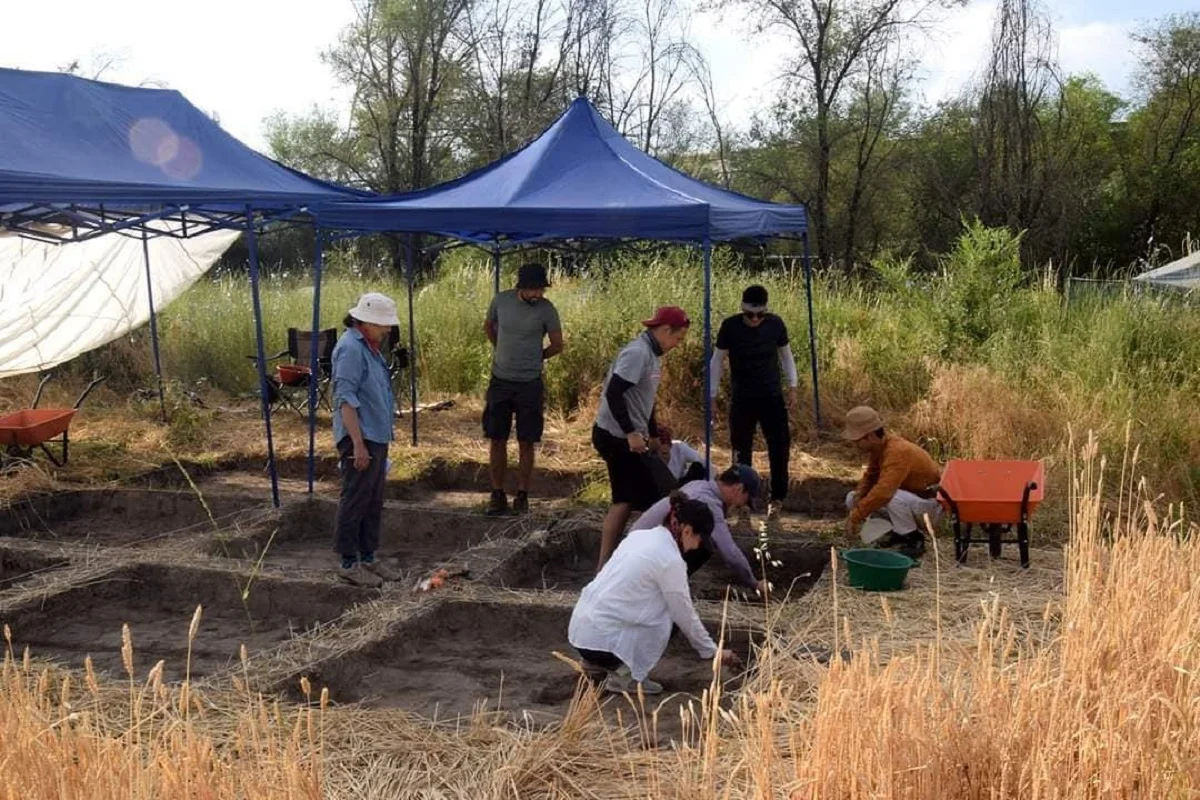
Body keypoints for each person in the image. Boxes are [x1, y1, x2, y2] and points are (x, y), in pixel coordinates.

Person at [568, 493, 742, 695]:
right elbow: (684, 614)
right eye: (698, 539)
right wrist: (714, 651)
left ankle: (594, 663)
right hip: (602, 643)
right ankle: (626, 676)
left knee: (648, 603)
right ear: (686, 531)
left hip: (581, 634)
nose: (696, 547)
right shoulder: (669, 559)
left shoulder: (640, 536)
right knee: (670, 617)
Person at [592, 306, 691, 569]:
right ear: (665, 330)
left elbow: (644, 400)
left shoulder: (652, 354)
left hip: (631, 437)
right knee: (626, 500)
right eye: (678, 338)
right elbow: (614, 393)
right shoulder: (638, 353)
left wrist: (653, 434)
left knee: (640, 498)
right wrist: (631, 433)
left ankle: (622, 563)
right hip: (615, 436)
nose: (677, 345)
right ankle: (606, 566)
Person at [709, 285, 799, 525]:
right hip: (743, 399)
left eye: (761, 314)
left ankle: (776, 502)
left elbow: (786, 355)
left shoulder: (775, 324)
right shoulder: (730, 327)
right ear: (742, 309)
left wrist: (793, 386)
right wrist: (712, 395)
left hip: (772, 397)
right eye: (750, 315)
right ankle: (743, 506)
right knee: (741, 453)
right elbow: (717, 361)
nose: (756, 320)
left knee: (779, 449)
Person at [331, 293, 402, 587]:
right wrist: (358, 444)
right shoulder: (350, 349)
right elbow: (345, 399)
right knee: (356, 500)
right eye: (383, 325)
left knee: (372, 501)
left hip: (375, 433)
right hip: (360, 436)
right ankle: (348, 563)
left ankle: (368, 557)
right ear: (366, 321)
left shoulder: (369, 347)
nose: (387, 330)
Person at [482, 263, 564, 516]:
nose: (538, 294)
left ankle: (522, 495)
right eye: (534, 290)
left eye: (540, 289)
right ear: (521, 287)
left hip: (530, 383)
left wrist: (537, 357)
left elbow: (558, 344)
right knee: (497, 438)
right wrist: (502, 350)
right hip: (501, 381)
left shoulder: (547, 310)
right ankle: (497, 494)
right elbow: (489, 327)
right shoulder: (501, 301)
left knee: (527, 440)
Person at [629, 465, 767, 595]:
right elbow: (730, 554)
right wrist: (754, 583)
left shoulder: (699, 485)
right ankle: (665, 589)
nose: (743, 505)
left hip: (634, 547)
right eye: (746, 499)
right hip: (640, 559)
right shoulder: (708, 502)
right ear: (739, 488)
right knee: (704, 545)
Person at [843, 406, 942, 560]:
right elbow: (870, 476)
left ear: (868, 437)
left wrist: (855, 517)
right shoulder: (880, 448)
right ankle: (897, 532)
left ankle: (913, 539)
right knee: (852, 498)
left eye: (857, 442)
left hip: (931, 505)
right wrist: (859, 496)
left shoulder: (897, 452)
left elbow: (884, 491)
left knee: (891, 496)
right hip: (912, 501)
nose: (855, 446)